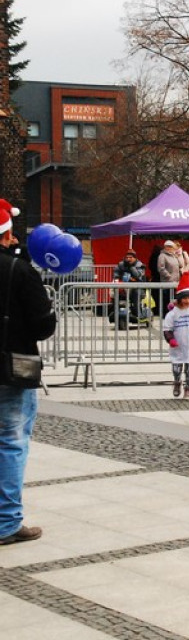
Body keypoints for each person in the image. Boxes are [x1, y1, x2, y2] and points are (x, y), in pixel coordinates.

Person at [0, 201, 57, 546]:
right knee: (10, 442)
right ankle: (6, 521)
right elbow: (42, 325)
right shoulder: (18, 270)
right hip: (10, 369)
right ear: (6, 233)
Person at [157, 239, 182, 314]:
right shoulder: (162, 256)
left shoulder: (174, 256)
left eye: (171, 247)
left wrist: (178, 256)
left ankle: (173, 314)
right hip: (167, 282)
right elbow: (161, 268)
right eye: (167, 246)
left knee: (173, 299)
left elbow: (180, 265)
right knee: (166, 300)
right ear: (164, 247)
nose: (169, 248)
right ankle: (165, 314)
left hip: (175, 282)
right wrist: (168, 276)